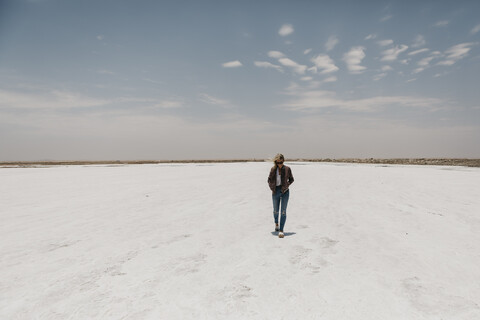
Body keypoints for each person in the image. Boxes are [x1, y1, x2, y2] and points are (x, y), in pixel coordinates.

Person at [267, 154, 294, 238]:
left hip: (285, 191)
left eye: (281, 162)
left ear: (283, 161)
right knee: (275, 210)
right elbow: (269, 180)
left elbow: (292, 179)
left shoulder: (287, 169)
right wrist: (272, 188)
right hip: (275, 191)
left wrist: (286, 185)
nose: (279, 164)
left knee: (283, 211)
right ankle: (276, 224)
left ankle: (281, 230)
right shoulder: (273, 169)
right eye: (278, 162)